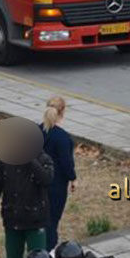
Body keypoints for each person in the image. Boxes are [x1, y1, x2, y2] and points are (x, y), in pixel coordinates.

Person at [0, 142, 55, 258]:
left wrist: (30, 160)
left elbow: (47, 179)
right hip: (12, 219)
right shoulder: (6, 160)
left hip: (35, 221)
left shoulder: (43, 159)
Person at [40, 96, 77, 250]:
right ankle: (48, 252)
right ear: (62, 112)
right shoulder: (62, 138)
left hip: (34, 183)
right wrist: (73, 178)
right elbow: (66, 163)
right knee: (51, 222)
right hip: (55, 185)